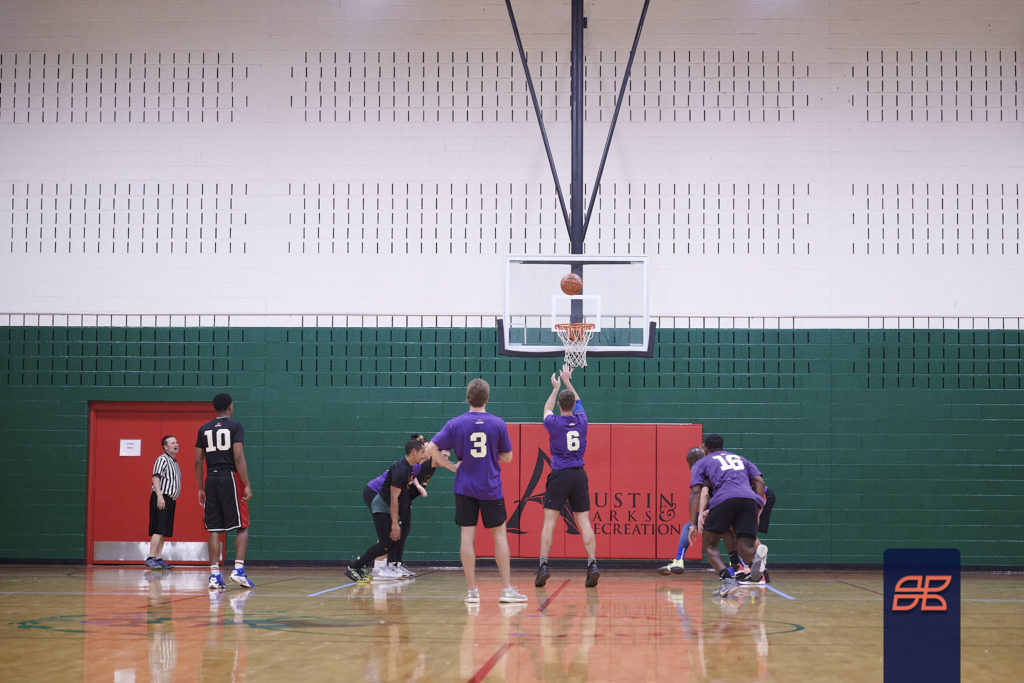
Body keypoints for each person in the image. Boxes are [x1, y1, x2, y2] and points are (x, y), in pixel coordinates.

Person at [425, 378, 527, 604]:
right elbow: (508, 457)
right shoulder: (497, 423)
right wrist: (491, 454)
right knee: (499, 536)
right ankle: (506, 590)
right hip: (491, 487)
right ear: (487, 398)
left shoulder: (455, 424)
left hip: (464, 487)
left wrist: (452, 466)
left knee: (466, 537)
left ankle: (472, 592)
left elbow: (430, 448)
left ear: (467, 398)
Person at [345, 437, 456, 583]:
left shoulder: (416, 466)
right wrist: (395, 522)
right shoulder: (405, 469)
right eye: (422, 451)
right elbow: (394, 496)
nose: (424, 454)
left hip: (390, 500)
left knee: (390, 539)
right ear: (415, 451)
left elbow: (407, 484)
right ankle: (367, 566)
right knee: (386, 539)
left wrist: (416, 489)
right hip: (380, 498)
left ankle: (374, 565)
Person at [534, 365, 599, 588]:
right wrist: (567, 381)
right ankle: (592, 564)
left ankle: (543, 566)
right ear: (573, 405)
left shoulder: (553, 423)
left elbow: (546, 409)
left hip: (559, 474)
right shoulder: (582, 420)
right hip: (579, 475)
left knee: (549, 521)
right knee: (584, 521)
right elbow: (577, 400)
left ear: (560, 405)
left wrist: (555, 388)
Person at [688, 433, 766, 597]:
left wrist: (693, 524)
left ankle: (728, 582)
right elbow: (759, 481)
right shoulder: (741, 458)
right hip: (749, 499)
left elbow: (696, 491)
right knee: (744, 548)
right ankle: (756, 555)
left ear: (706, 449)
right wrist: (758, 505)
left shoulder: (702, 461)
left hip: (724, 498)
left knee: (709, 544)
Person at [195, 393, 254, 590]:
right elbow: (238, 457)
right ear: (230, 406)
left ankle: (214, 575)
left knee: (214, 528)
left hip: (211, 478)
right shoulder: (235, 426)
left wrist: (200, 488)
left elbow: (198, 461)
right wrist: (246, 484)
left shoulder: (203, 429)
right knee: (242, 525)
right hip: (230, 476)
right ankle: (238, 570)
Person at [657, 446, 706, 575]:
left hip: (724, 502)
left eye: (689, 463)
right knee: (727, 534)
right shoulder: (718, 464)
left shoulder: (699, 466)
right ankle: (739, 566)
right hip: (744, 499)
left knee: (690, 527)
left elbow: (696, 491)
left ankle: (679, 560)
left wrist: (693, 524)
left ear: (694, 461)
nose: (689, 467)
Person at [145, 435, 182, 570]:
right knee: (158, 528)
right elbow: (156, 477)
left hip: (170, 499)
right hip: (162, 498)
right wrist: (159, 496)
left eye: (176, 442)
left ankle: (158, 558)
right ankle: (150, 557)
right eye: (172, 443)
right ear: (165, 447)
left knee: (163, 530)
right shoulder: (162, 459)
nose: (176, 444)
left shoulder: (174, 461)